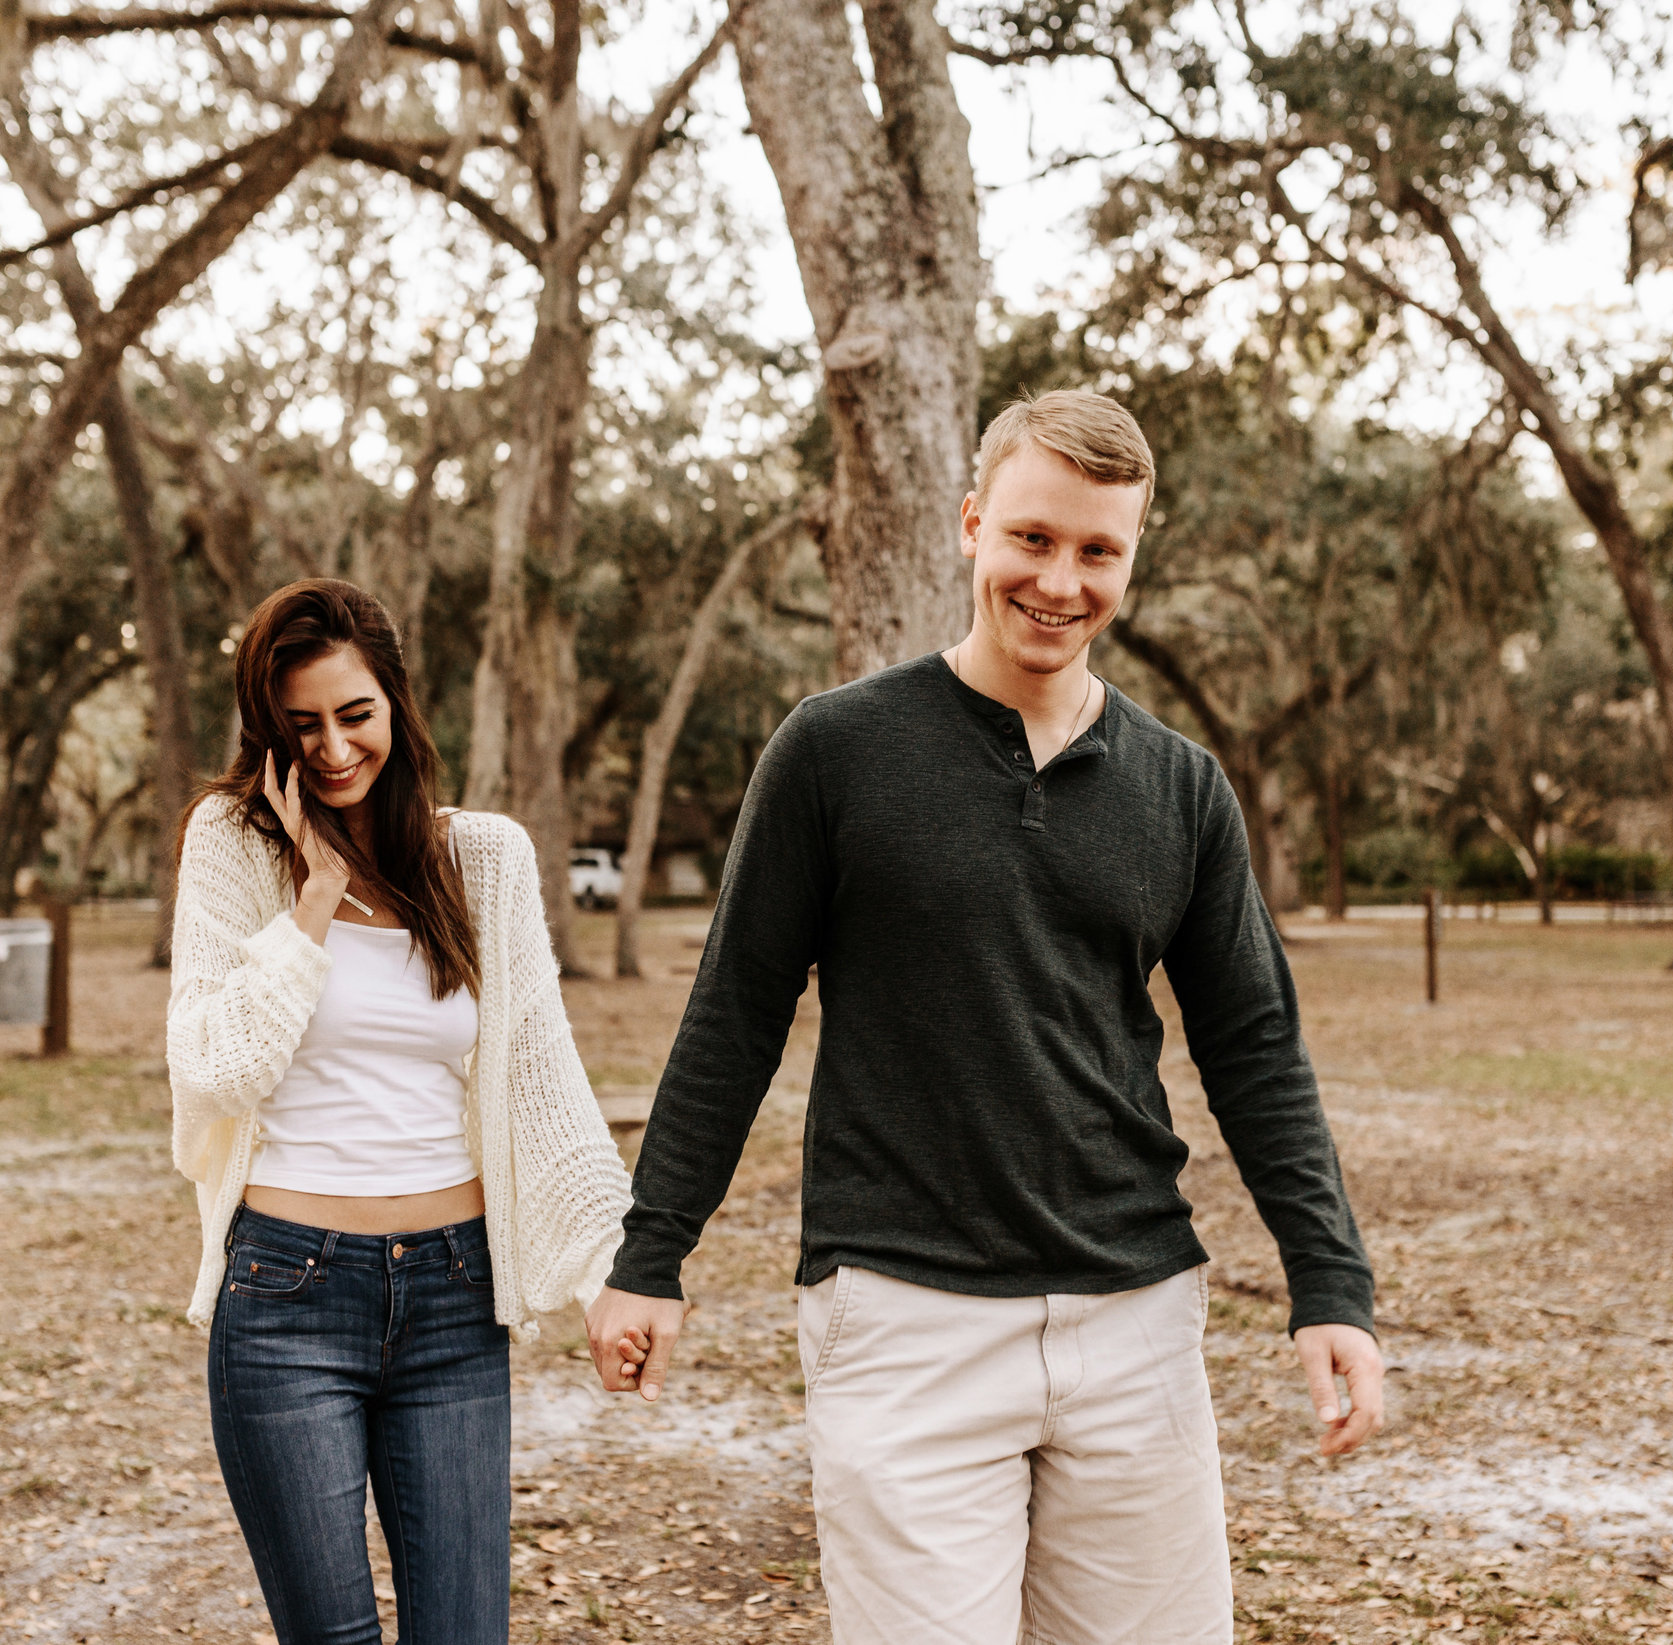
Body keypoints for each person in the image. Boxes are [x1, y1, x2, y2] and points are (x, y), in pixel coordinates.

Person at [584, 391, 1384, 1643]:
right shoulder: (836, 750)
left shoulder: (1181, 788)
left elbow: (1255, 1050)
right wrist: (651, 1253)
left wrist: (1329, 1282)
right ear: (971, 526)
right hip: (905, 1319)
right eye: (1031, 537)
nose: (1058, 580)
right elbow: (735, 1013)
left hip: (1135, 1318)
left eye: (1096, 550)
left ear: (1129, 559)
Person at [168, 578, 630, 1645]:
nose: (333, 748)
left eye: (354, 714)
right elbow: (212, 1067)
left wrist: (615, 1270)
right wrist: (314, 904)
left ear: (397, 705)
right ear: (268, 731)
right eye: (303, 725)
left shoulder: (485, 860)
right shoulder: (232, 846)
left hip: (455, 1296)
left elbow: (540, 1079)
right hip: (286, 1297)